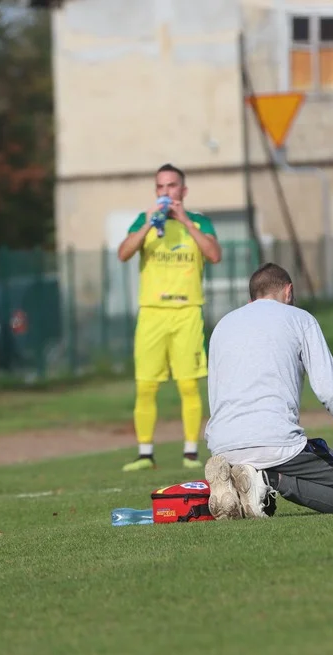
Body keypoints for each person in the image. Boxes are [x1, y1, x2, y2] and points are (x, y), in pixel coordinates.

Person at [202, 263, 333, 519]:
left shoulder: (222, 326)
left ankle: (238, 485)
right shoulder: (301, 319)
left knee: (264, 504)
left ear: (250, 299)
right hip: (277, 445)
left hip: (222, 445)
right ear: (288, 292)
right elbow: (332, 393)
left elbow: (215, 394)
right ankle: (268, 479)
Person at [117, 164, 222, 472]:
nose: (166, 192)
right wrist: (149, 223)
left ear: (183, 191)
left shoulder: (200, 221)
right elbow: (123, 253)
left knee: (188, 385)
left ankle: (190, 452)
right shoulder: (143, 221)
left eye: (172, 186)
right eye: (161, 187)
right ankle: (145, 453)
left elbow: (214, 255)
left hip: (187, 312)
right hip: (152, 313)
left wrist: (186, 222)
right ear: (155, 192)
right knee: (146, 386)